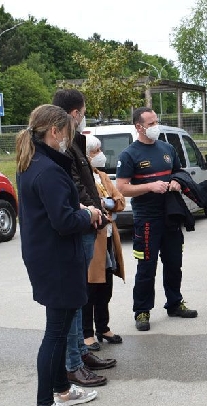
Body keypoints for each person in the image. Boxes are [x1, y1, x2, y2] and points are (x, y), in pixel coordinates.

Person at [16, 104, 101, 406]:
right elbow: (65, 222)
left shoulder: (35, 162)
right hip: (55, 259)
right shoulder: (47, 169)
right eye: (67, 133)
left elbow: (55, 208)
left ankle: (63, 390)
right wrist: (89, 214)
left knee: (61, 328)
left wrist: (73, 206)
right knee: (55, 333)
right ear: (54, 131)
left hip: (49, 256)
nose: (69, 139)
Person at [52, 89, 115, 387]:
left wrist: (99, 207)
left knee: (80, 296)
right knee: (75, 298)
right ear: (75, 113)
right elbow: (73, 185)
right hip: (80, 225)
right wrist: (91, 210)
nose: (84, 115)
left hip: (89, 221)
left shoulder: (74, 143)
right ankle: (73, 363)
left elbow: (84, 180)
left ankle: (80, 354)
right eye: (84, 110)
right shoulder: (60, 145)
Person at [116, 107, 198, 331]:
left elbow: (178, 173)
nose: (155, 127)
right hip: (147, 220)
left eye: (156, 122)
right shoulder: (129, 154)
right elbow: (122, 188)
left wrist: (176, 183)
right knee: (146, 266)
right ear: (138, 127)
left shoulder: (167, 148)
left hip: (171, 215)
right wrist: (150, 186)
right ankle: (142, 310)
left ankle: (174, 303)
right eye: (150, 124)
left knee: (174, 263)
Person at [83, 134, 126, 350]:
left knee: (106, 286)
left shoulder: (102, 176)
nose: (100, 155)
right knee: (91, 287)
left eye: (100, 150)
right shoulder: (83, 178)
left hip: (108, 237)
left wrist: (107, 203)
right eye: (95, 151)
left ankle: (103, 326)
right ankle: (87, 334)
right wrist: (103, 204)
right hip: (93, 240)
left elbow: (119, 200)